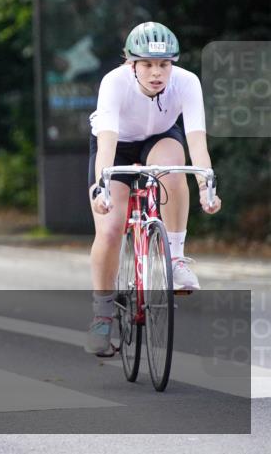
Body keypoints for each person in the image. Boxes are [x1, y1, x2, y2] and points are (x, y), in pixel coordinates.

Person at [84, 22, 222, 356]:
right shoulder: (113, 83)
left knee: (174, 169)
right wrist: (102, 188)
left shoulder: (187, 83)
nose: (157, 73)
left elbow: (197, 143)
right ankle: (102, 315)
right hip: (116, 147)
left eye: (164, 64)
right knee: (111, 228)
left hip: (160, 138)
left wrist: (206, 186)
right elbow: (106, 144)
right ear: (131, 64)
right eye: (147, 64)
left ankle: (174, 258)